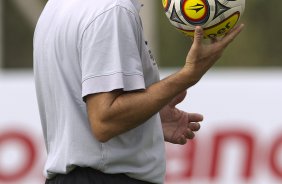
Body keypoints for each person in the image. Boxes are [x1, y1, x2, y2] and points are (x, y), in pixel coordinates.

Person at [33, 0, 244, 183]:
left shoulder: (56, 7)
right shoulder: (113, 10)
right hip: (106, 178)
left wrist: (149, 118)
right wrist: (189, 74)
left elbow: (81, 111)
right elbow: (104, 121)